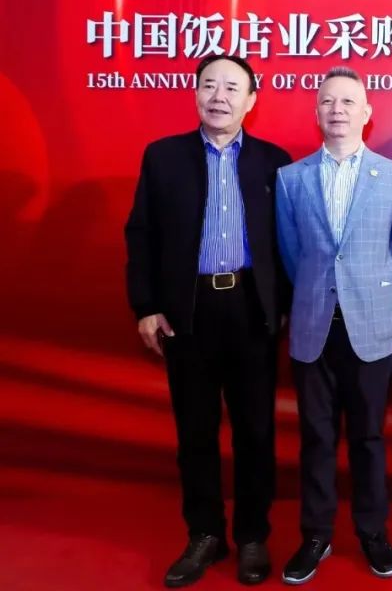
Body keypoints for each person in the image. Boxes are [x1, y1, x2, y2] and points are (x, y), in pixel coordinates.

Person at [124, 53, 291, 587]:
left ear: (251, 100)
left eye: (232, 88)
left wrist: (282, 306)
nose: (219, 97)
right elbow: (141, 234)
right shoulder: (163, 156)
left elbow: (291, 243)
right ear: (195, 93)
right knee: (195, 431)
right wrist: (146, 305)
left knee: (255, 431)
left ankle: (252, 536)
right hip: (186, 312)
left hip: (250, 310)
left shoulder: (274, 161)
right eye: (210, 86)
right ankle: (204, 534)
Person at [274, 67, 392, 585]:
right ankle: (316, 534)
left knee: (369, 437)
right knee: (316, 437)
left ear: (367, 113)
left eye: (348, 101)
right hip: (313, 324)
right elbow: (292, 253)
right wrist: (321, 291)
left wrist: (365, 292)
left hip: (374, 326)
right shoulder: (291, 179)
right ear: (316, 113)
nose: (338, 109)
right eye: (328, 101)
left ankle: (373, 531)